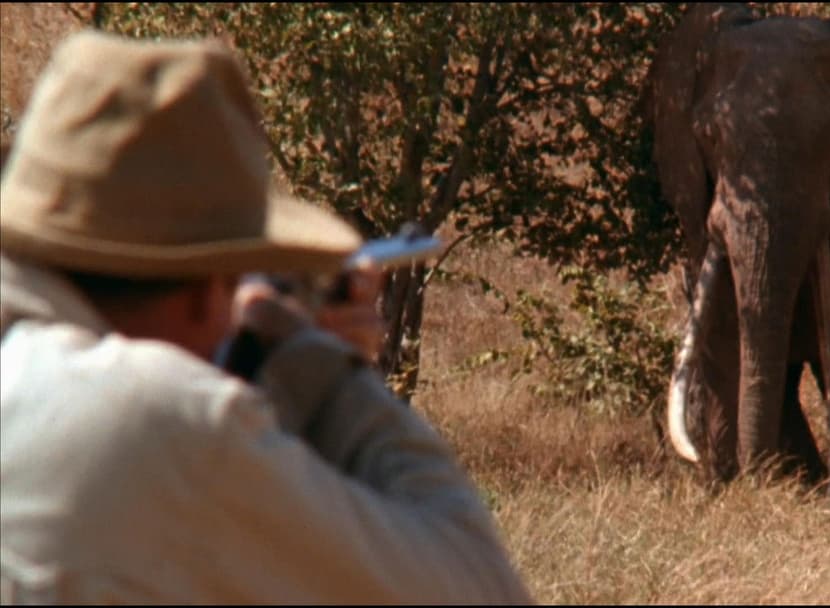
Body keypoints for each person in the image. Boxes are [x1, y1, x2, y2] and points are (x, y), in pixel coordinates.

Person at [0, 30, 533, 604]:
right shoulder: (157, 417)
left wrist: (249, 364)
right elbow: (481, 588)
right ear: (207, 292)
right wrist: (316, 371)